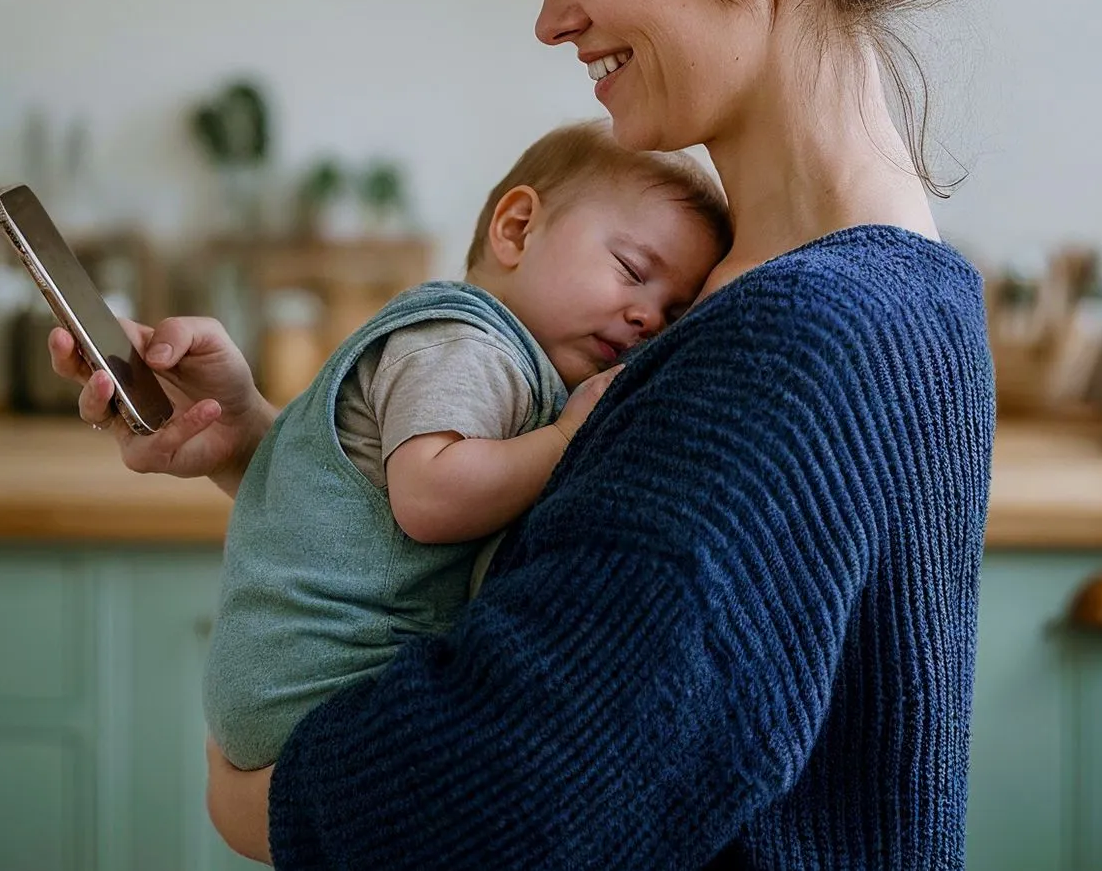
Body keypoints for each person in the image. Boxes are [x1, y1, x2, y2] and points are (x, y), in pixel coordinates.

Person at [52, 0, 1011, 869]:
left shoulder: (801, 336)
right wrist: (275, 453)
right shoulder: (832, 291)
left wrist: (251, 796)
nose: (553, 17)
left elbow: (517, 797)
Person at [204, 121, 729, 771]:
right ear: (515, 229)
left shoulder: (508, 358)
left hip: (297, 682)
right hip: (317, 681)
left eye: (673, 312)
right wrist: (566, 437)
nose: (647, 317)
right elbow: (430, 494)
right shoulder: (468, 345)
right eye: (630, 270)